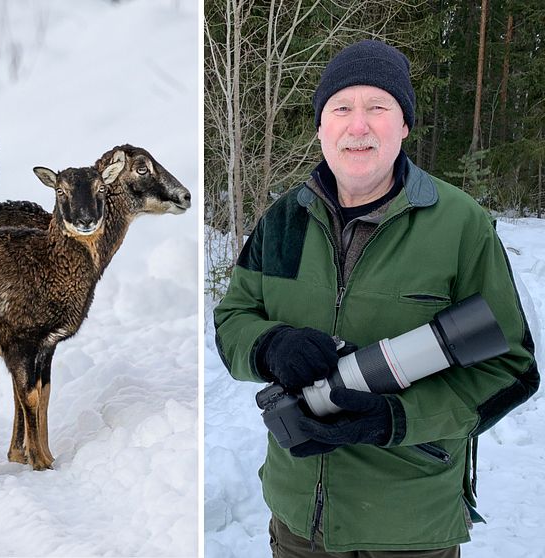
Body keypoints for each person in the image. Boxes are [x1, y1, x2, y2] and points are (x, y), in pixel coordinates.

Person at [214, 39, 539, 556]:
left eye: (378, 107)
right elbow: (233, 319)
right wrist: (271, 344)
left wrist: (396, 419)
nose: (358, 125)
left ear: (404, 125)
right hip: (300, 523)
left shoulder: (460, 226)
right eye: (341, 108)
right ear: (321, 126)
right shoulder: (284, 220)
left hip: (410, 526)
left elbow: (513, 370)